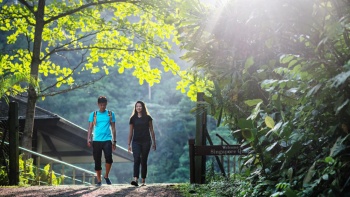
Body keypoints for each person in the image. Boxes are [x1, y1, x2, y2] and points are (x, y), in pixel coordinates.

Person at [87, 96, 117, 186]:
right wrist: (88, 138)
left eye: (104, 105)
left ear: (106, 104)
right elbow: (90, 127)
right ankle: (99, 180)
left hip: (107, 139)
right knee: (97, 160)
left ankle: (106, 176)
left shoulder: (111, 114)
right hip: (96, 140)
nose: (102, 107)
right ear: (98, 104)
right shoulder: (94, 114)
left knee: (109, 158)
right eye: (101, 105)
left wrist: (114, 141)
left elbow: (113, 128)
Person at [127, 101, 156, 186]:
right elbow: (130, 132)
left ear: (143, 107)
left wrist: (154, 142)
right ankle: (135, 179)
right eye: (137, 106)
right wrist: (129, 144)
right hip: (136, 141)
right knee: (136, 159)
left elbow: (151, 130)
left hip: (146, 141)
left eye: (140, 106)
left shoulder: (148, 118)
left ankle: (143, 180)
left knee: (144, 160)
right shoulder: (133, 118)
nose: (138, 108)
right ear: (135, 108)